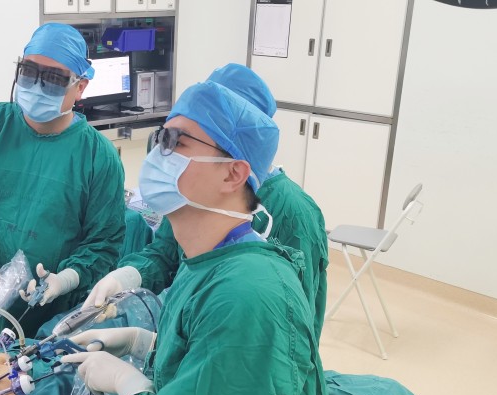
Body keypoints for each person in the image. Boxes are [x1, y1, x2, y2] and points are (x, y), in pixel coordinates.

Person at [62, 82, 338, 395]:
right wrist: (146, 345)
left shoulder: (246, 295)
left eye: (176, 141)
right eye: (160, 136)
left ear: (232, 174)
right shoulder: (206, 261)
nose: (158, 153)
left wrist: (126, 381)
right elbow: (211, 357)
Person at [87, 63, 330, 341]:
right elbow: (166, 253)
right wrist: (127, 277)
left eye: (182, 141)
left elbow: (293, 325)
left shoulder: (294, 211)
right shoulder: (193, 195)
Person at [0, 23, 125, 336]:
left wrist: (65, 278)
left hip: (44, 312)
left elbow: (103, 242)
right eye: (28, 71)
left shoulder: (98, 157)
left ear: (80, 87)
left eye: (54, 79)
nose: (37, 85)